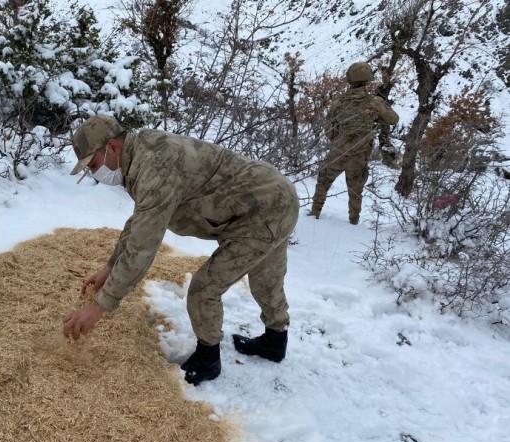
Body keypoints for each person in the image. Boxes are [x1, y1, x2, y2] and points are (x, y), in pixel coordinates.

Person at [62, 115, 299, 385]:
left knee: (204, 289)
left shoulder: (154, 167)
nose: (95, 174)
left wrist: (99, 306)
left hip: (263, 210)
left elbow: (142, 247)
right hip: (266, 200)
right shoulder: (140, 153)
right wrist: (109, 267)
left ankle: (208, 358)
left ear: (113, 148)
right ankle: (275, 341)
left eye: (93, 165)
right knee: (266, 277)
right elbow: (142, 221)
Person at [309, 62, 399, 225]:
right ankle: (353, 221)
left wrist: (338, 142)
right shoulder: (374, 102)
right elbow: (393, 119)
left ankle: (315, 211)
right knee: (356, 189)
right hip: (359, 154)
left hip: (338, 152)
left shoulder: (339, 102)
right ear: (368, 79)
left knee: (323, 180)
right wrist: (382, 106)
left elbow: (329, 128)